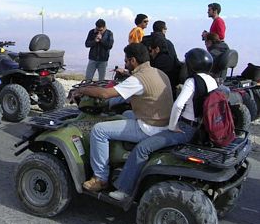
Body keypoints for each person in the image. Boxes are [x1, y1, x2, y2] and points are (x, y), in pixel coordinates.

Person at [107, 48, 217, 200]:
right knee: (127, 115)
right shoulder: (211, 80)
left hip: (184, 128)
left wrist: (172, 126)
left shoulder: (192, 81)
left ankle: (124, 190)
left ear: (192, 65)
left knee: (142, 149)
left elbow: (178, 105)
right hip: (198, 127)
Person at [76, 43, 173, 192]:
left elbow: (104, 94)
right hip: (163, 122)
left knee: (99, 130)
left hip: (149, 127)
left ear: (133, 60)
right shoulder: (158, 73)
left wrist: (83, 89)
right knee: (125, 114)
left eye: (126, 60)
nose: (125, 63)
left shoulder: (138, 79)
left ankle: (100, 178)